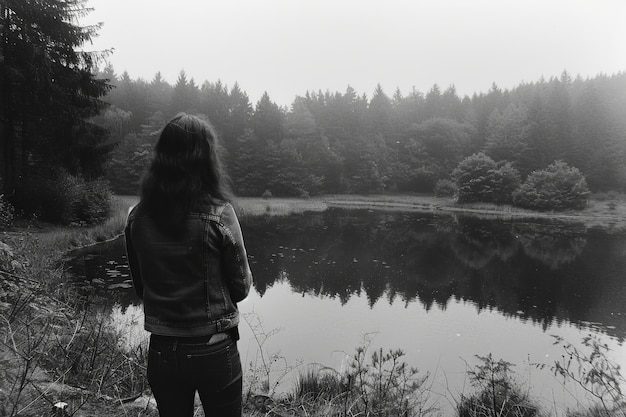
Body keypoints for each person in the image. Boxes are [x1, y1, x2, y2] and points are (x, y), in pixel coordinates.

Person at [124, 113, 253, 416]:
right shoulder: (220, 214)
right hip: (214, 348)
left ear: (162, 156)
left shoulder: (136, 217)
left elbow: (142, 288)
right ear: (206, 158)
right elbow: (241, 287)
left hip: (163, 350)